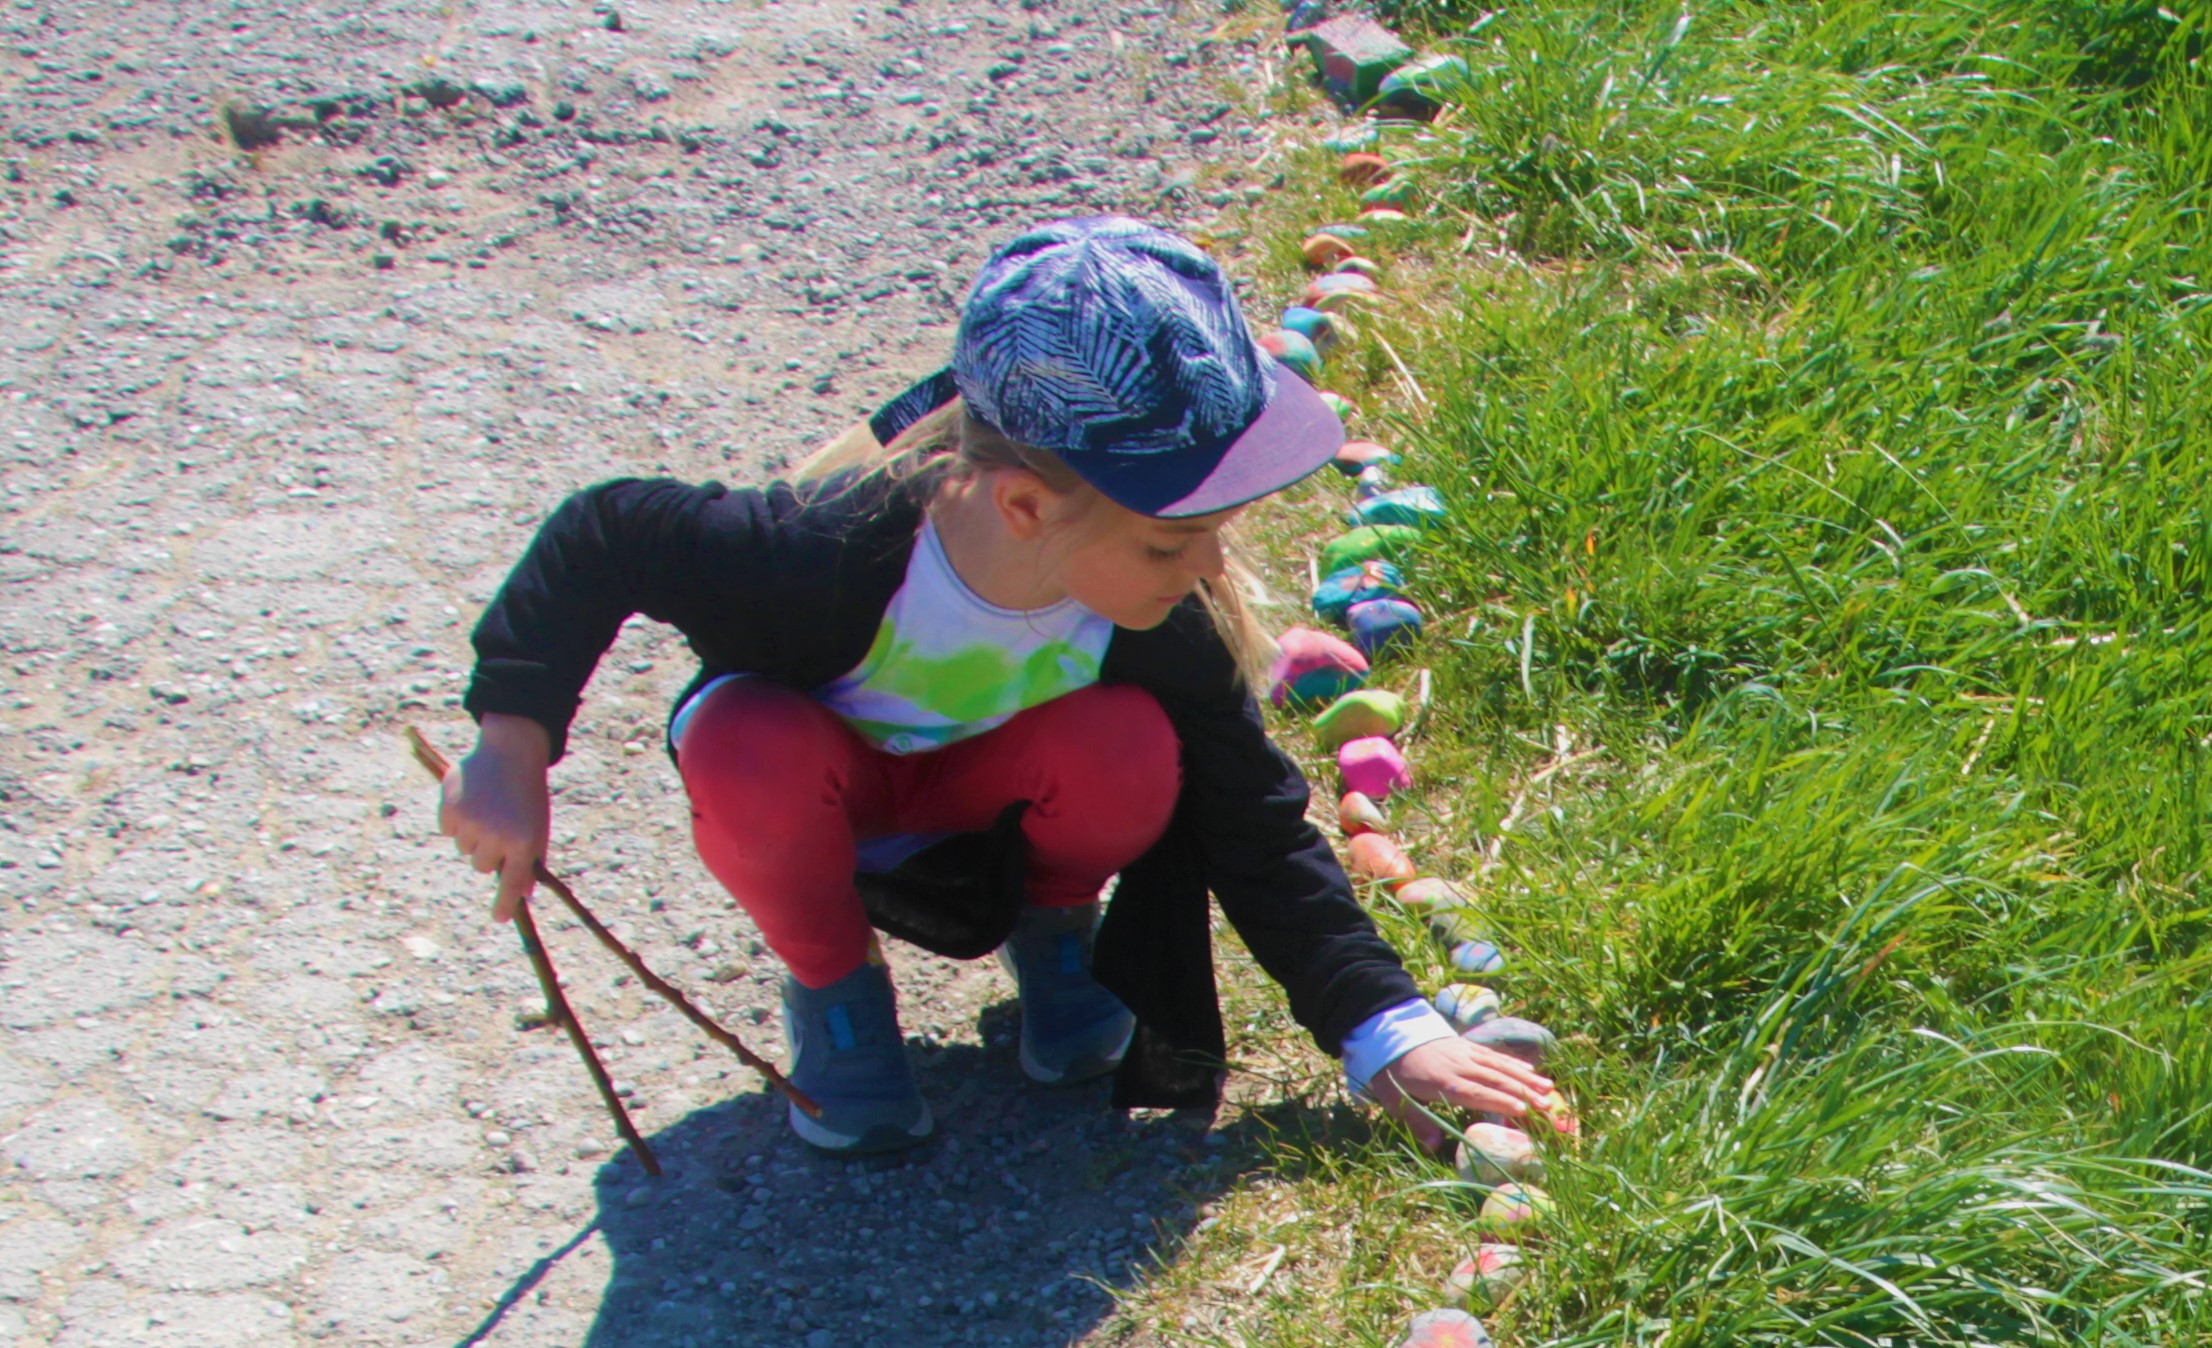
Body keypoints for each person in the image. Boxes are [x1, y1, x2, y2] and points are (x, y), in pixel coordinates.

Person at [438, 215, 1560, 1154]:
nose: (1208, 569)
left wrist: (1385, 1031)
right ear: (1024, 505)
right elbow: (605, 533)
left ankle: (1056, 939)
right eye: (1176, 543)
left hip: (992, 810)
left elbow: (1252, 821)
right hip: (824, 809)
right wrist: (511, 744)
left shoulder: (1151, 614)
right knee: (740, 739)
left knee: (1135, 746)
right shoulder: (818, 555)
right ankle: (835, 996)